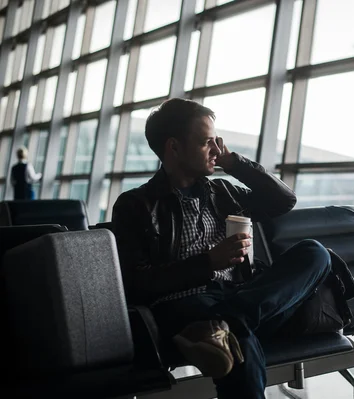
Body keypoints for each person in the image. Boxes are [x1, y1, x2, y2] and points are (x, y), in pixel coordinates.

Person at [111, 98, 332, 399]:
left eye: (217, 142)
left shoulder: (223, 191)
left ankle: (221, 324)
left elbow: (283, 200)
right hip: (184, 304)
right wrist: (208, 262)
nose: (216, 150)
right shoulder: (136, 204)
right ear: (173, 147)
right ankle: (226, 326)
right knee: (240, 341)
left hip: (239, 296)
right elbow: (137, 284)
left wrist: (234, 162)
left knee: (315, 253)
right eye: (206, 143)